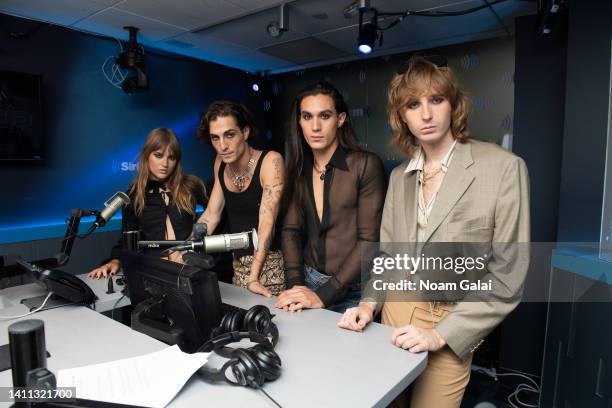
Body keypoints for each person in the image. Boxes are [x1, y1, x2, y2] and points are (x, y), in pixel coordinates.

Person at [338, 56, 530, 408]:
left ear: (453, 104)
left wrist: (440, 335)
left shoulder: (503, 168)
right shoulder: (400, 177)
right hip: (392, 318)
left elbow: (508, 275)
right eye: (413, 104)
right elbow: (388, 257)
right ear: (402, 116)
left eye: (435, 100)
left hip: (450, 323)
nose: (425, 114)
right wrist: (368, 305)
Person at [275, 81, 386, 314]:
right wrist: (296, 287)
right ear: (299, 121)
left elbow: (369, 240)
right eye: (307, 116)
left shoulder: (365, 164)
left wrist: (323, 295)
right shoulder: (298, 168)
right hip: (308, 280)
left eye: (324, 116)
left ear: (341, 119)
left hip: (355, 290)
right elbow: (290, 230)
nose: (315, 126)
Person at [88, 127, 207, 279]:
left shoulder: (191, 185)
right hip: (155, 274)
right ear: (147, 155)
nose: (165, 163)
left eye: (171, 158)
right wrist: (114, 260)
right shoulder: (134, 196)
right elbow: (127, 238)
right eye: (158, 155)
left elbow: (215, 213)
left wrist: (201, 240)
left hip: (190, 271)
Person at [196, 101, 285, 297]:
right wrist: (182, 251)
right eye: (215, 138)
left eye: (229, 135)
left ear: (245, 132)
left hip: (272, 266)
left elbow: (266, 222)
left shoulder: (271, 161)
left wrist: (254, 277)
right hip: (238, 265)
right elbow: (211, 214)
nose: (222, 146)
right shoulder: (220, 162)